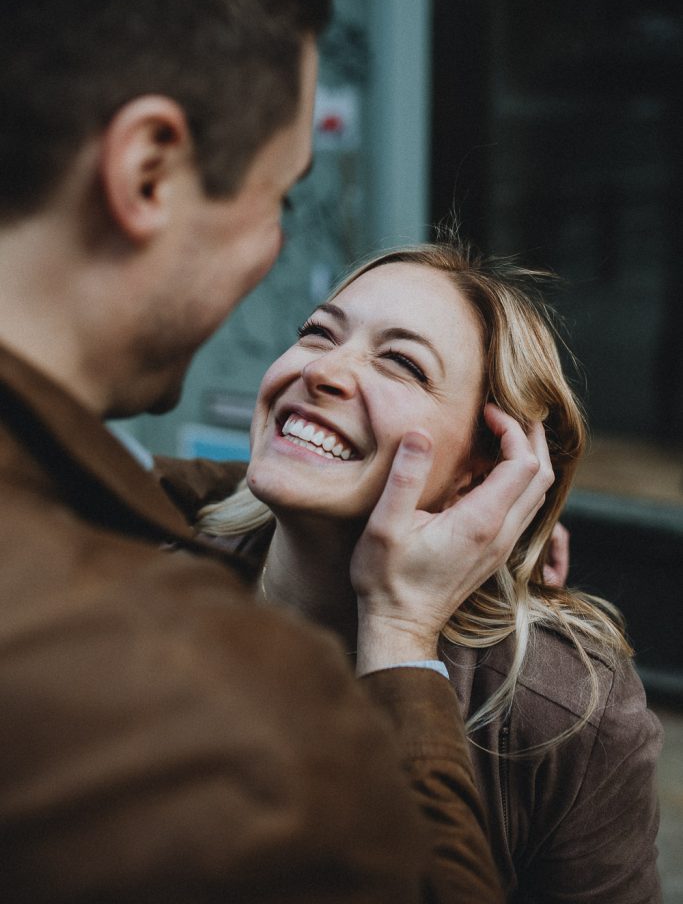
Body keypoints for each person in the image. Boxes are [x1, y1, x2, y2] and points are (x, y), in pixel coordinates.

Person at [0, 0, 556, 901]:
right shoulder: (223, 701)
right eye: (279, 197)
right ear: (150, 171)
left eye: (400, 361)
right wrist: (398, 629)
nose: (271, 251)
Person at [162, 241, 662, 903]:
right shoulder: (141, 561)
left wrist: (400, 630)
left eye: (400, 363)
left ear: (480, 471)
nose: (327, 370)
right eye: (317, 333)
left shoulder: (564, 709)